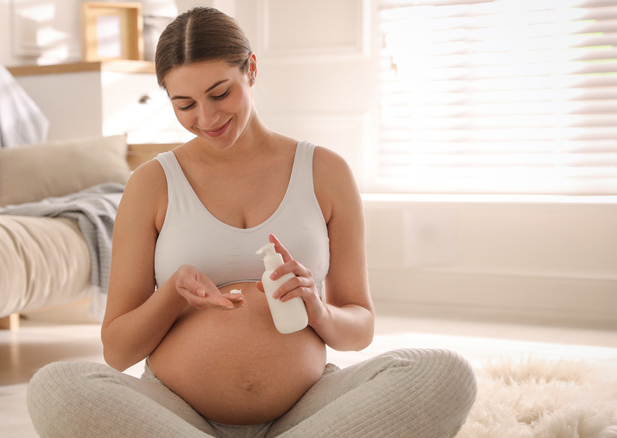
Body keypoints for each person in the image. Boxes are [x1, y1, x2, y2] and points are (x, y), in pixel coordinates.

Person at [27, 7, 476, 437]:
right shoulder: (152, 183)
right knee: (55, 387)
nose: (206, 119)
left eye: (220, 93)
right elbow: (118, 351)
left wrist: (316, 309)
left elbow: (359, 329)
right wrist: (171, 294)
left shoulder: (325, 172)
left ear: (252, 70)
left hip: (307, 411)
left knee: (443, 372)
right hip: (177, 415)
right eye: (184, 104)